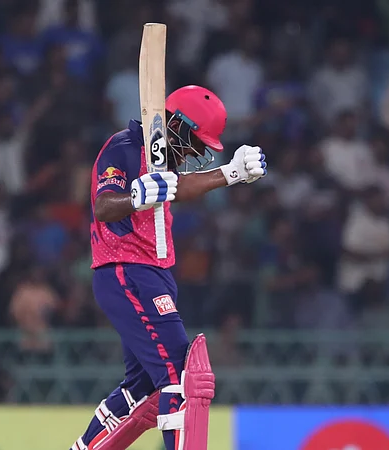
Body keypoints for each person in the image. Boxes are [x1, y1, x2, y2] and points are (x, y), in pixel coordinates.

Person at [70, 85, 267, 450]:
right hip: (126, 269)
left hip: (153, 272)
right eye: (195, 141)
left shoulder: (161, 160)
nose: (195, 152)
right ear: (176, 124)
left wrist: (232, 174)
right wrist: (134, 197)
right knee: (183, 378)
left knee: (142, 390)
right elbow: (103, 206)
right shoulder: (124, 146)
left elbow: (179, 187)